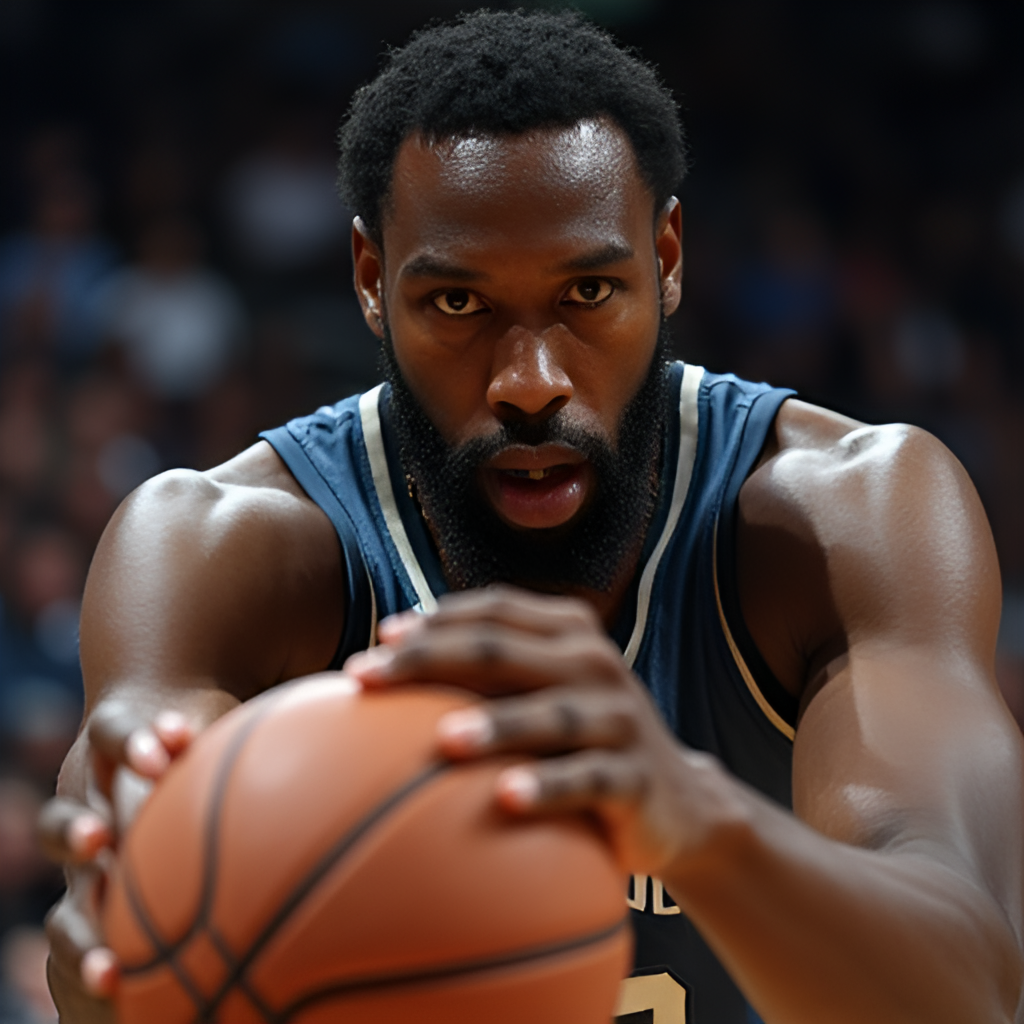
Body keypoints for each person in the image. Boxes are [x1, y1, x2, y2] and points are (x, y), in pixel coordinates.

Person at [38, 10, 1023, 1024]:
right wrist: (124, 929)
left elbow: (968, 994)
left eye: (588, 291)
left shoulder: (846, 516)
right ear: (373, 281)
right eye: (458, 305)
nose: (528, 382)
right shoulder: (221, 546)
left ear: (667, 257)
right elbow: (112, 937)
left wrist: (696, 821)